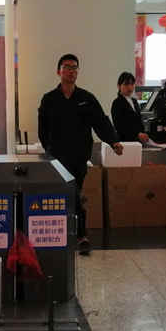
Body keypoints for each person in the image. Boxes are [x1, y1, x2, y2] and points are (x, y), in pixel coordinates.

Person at [38, 53, 123, 255]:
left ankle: (73, 233)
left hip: (79, 156)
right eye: (67, 67)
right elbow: (42, 129)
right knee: (71, 193)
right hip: (57, 157)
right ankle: (81, 235)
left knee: (72, 192)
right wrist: (48, 150)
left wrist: (113, 141)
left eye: (75, 67)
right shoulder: (49, 99)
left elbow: (101, 122)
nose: (71, 71)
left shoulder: (86, 98)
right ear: (59, 71)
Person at [110, 71, 149, 144]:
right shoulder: (117, 103)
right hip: (125, 142)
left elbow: (139, 121)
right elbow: (119, 126)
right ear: (119, 86)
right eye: (126, 84)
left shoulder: (134, 101)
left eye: (132, 84)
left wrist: (143, 134)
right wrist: (137, 134)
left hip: (138, 141)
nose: (130, 87)